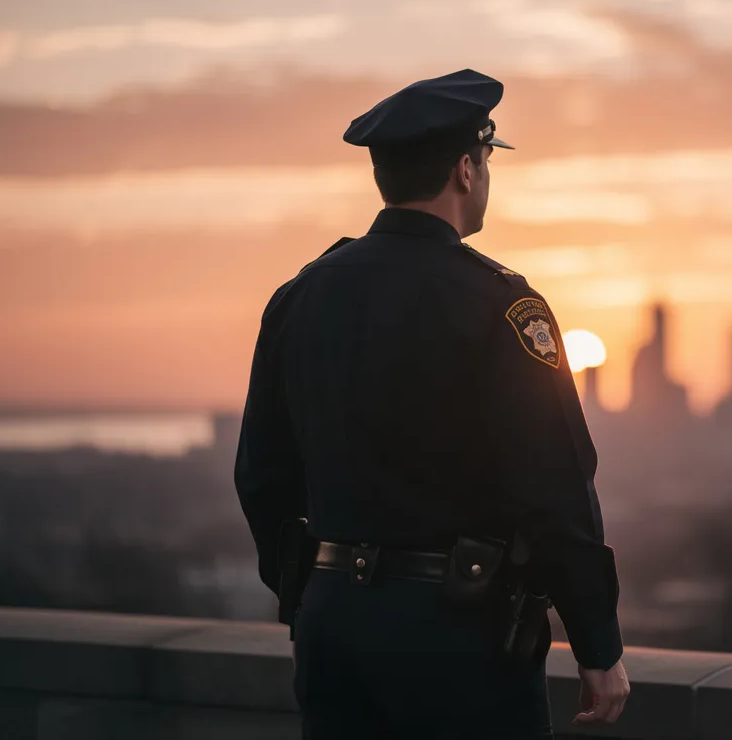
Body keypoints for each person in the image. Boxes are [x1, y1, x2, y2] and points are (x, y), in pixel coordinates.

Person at [234, 68, 629, 739]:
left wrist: (308, 601)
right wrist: (598, 644)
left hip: (334, 633)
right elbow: (556, 489)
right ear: (466, 171)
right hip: (459, 640)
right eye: (486, 160)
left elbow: (262, 475)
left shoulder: (300, 296)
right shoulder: (501, 304)